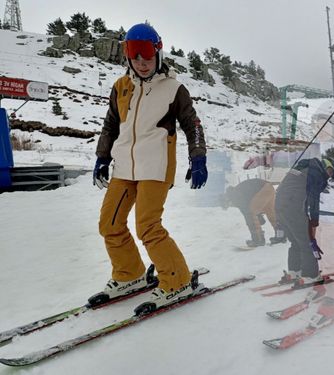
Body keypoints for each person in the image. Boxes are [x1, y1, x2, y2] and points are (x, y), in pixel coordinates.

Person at [92, 23, 208, 310]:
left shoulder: (174, 89)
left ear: (158, 53)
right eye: (135, 58)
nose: (142, 64)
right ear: (128, 57)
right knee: (109, 224)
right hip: (124, 167)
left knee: (148, 227)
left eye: (147, 57)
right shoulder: (121, 86)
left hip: (156, 167)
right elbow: (110, 124)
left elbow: (192, 125)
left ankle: (177, 280)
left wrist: (198, 157)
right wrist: (103, 156)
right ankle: (129, 274)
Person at [275, 157, 334, 283]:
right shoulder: (315, 172)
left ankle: (294, 272)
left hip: (279, 206)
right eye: (331, 172)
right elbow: (313, 199)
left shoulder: (303, 167)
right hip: (293, 207)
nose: (329, 176)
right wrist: (314, 221)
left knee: (296, 241)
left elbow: (298, 191)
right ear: (326, 166)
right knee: (307, 242)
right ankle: (310, 276)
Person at [222, 178, 285, 247]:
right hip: (268, 187)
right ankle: (281, 235)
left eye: (228, 205)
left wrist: (254, 225)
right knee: (271, 213)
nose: (231, 206)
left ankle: (258, 240)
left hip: (262, 190)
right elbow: (253, 202)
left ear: (227, 200)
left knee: (250, 215)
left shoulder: (236, 197)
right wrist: (259, 216)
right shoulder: (237, 190)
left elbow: (249, 215)